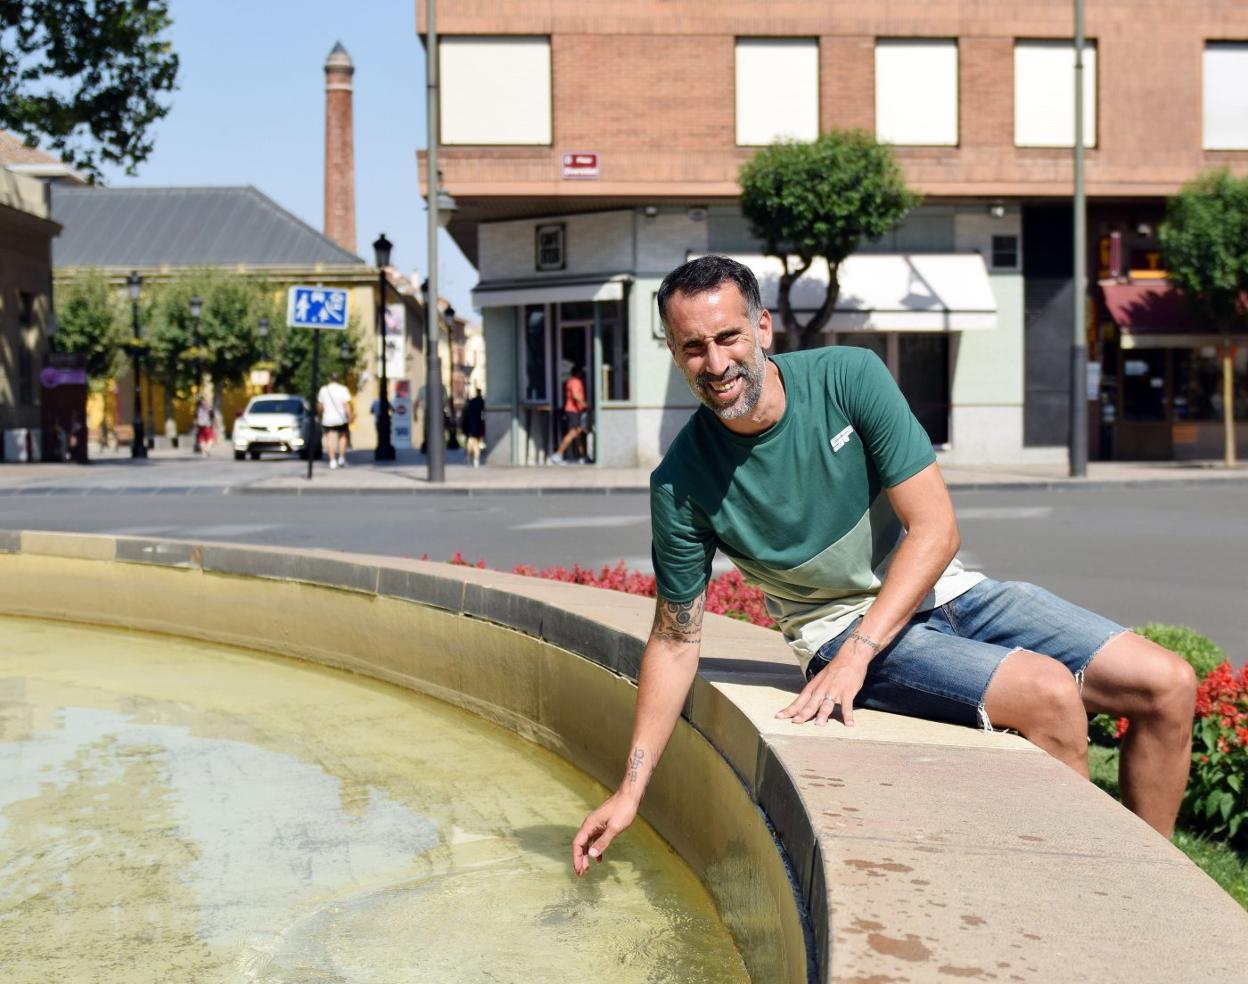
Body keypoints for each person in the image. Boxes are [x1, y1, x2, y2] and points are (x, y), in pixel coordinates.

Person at [571, 255, 1197, 876]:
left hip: (933, 594)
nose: (715, 363)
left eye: (728, 336)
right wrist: (631, 789)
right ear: (677, 356)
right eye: (693, 347)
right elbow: (676, 641)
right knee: (1049, 695)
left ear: (762, 328)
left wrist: (861, 654)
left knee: (1167, 684)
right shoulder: (680, 483)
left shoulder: (849, 376)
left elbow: (936, 529)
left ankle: (1157, 884)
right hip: (833, 629)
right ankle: (1094, 891)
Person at [550, 365, 588, 464]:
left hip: (573, 410)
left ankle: (583, 456)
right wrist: (584, 404)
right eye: (581, 373)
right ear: (578, 373)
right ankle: (558, 454)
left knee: (578, 433)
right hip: (573, 411)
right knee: (572, 433)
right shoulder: (576, 382)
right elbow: (576, 395)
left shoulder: (570, 381)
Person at [317, 372, 353, 469]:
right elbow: (346, 405)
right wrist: (350, 416)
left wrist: (319, 415)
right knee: (342, 436)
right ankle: (341, 457)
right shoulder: (343, 389)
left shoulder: (323, 390)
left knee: (329, 438)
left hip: (328, 418)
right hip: (341, 418)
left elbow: (320, 405)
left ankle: (332, 460)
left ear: (330, 379)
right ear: (338, 379)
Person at [462, 388, 486, 467]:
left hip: (472, 428)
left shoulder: (471, 404)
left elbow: (465, 418)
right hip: (475, 427)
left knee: (472, 443)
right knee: (475, 443)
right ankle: (474, 458)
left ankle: (471, 457)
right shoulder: (480, 402)